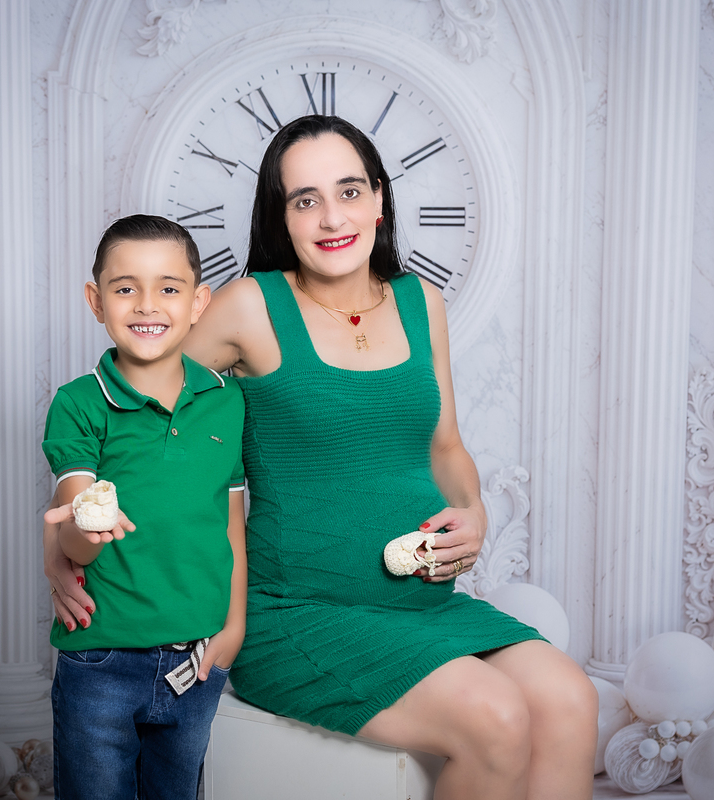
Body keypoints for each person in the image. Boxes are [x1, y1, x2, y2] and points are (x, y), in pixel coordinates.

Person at [47, 118, 598, 799]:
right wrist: (62, 539)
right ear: (281, 217)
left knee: (571, 699)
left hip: (423, 607)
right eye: (305, 200)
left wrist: (474, 510)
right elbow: (124, 415)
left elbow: (445, 445)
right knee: (497, 718)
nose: (332, 217)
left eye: (349, 191)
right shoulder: (250, 307)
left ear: (379, 199)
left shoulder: (421, 302)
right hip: (299, 615)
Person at [41, 214, 247, 800]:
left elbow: (232, 524)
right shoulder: (79, 403)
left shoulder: (227, 401)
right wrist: (83, 528)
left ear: (199, 302)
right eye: (125, 288)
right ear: (96, 301)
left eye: (169, 288)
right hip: (100, 659)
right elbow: (76, 535)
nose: (147, 305)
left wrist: (233, 628)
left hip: (196, 661)